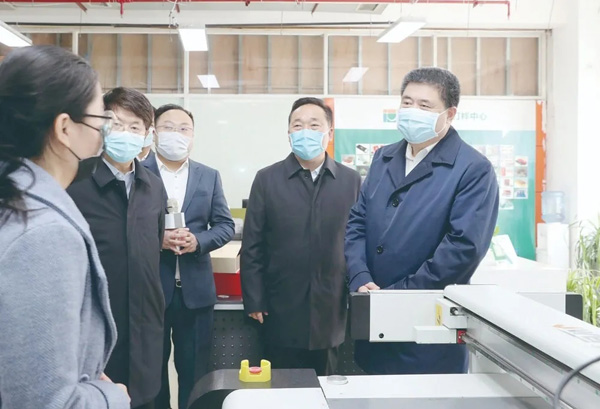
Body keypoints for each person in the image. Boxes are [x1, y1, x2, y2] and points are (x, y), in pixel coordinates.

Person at [345, 67, 499, 375]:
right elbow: (357, 221)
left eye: (424, 105)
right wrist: (359, 275)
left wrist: (396, 295)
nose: (412, 111)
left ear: (450, 114)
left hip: (428, 327)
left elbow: (462, 249)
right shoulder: (383, 158)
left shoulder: (473, 169)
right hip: (372, 318)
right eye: (407, 102)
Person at [0, 45, 130, 408]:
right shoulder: (42, 234)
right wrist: (110, 396)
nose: (104, 135)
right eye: (100, 120)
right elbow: (46, 401)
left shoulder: (14, 200)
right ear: (64, 128)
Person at [241, 97, 362, 376]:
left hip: (331, 306)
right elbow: (252, 245)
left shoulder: (350, 181)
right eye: (298, 125)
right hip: (279, 305)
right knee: (281, 384)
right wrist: (255, 299)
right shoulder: (267, 179)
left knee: (326, 384)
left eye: (314, 125)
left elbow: (357, 241)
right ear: (288, 133)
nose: (305, 131)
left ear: (329, 133)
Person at [68, 87, 166, 409]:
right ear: (102, 126)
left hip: (144, 323)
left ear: (147, 134)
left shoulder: (153, 186)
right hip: (94, 326)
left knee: (144, 397)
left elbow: (153, 249)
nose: (125, 133)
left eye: (134, 126)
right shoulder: (76, 181)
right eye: (117, 124)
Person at [143, 104, 235, 409]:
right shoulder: (138, 172)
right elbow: (124, 225)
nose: (177, 134)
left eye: (184, 128)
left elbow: (224, 225)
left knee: (196, 374)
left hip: (196, 293)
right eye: (168, 127)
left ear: (193, 135)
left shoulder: (208, 176)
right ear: (154, 133)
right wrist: (158, 239)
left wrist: (198, 240)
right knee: (151, 374)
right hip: (151, 292)